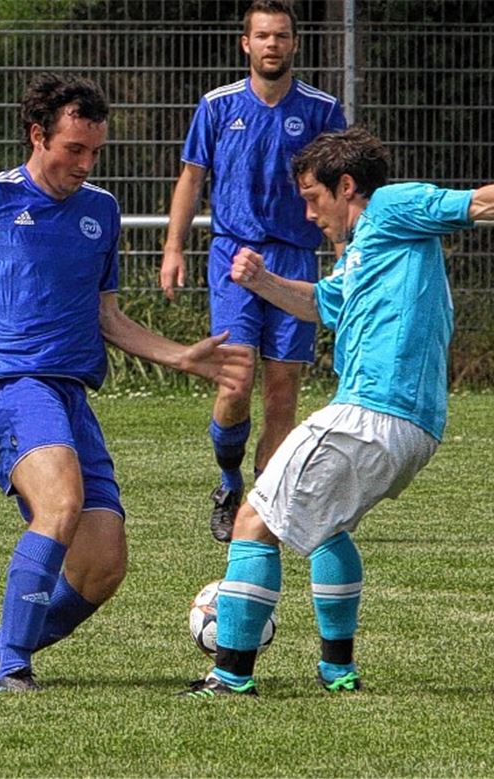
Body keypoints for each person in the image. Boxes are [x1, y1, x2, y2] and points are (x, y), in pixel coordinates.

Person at [0, 72, 253, 693]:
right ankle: (14, 672)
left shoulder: (101, 211)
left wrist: (181, 356)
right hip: (12, 384)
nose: (85, 163)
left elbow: (107, 316)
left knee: (102, 565)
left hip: (71, 392)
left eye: (94, 151)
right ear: (37, 135)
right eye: (73, 149)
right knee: (59, 504)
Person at [182, 127, 494, 698]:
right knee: (328, 531)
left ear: (346, 186)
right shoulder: (363, 251)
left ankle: (230, 675)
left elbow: (482, 202)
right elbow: (322, 303)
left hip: (372, 411)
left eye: (314, 198)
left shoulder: (389, 207)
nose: (310, 213)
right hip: (410, 426)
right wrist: (262, 281)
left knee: (253, 520)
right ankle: (338, 671)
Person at [160, 0, 347, 543]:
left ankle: (265, 504)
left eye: (281, 36)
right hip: (233, 258)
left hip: (294, 256)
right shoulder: (218, 106)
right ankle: (227, 481)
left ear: (294, 43)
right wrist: (174, 249)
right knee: (235, 378)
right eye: (262, 36)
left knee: (283, 386)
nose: (272, 45)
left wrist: (341, 247)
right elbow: (191, 180)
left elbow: (340, 187)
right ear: (246, 44)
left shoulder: (320, 109)